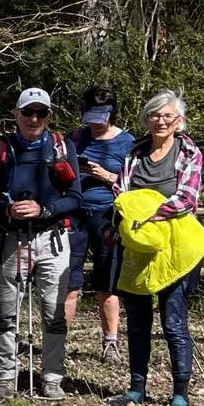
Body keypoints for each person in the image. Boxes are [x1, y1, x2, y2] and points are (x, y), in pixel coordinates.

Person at [108, 92, 204, 406]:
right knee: (136, 320)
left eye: (167, 116)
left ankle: (180, 393)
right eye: (154, 115)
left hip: (173, 248)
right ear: (146, 119)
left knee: (173, 321)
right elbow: (120, 192)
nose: (160, 121)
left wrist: (146, 211)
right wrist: (131, 212)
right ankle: (136, 387)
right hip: (137, 247)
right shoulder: (134, 153)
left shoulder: (189, 152)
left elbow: (186, 199)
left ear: (179, 121)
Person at [0, 88, 80, 401]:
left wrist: (45, 209)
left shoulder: (63, 147)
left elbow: (76, 198)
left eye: (41, 113)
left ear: (49, 116)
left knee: (53, 313)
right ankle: (5, 377)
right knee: (5, 312)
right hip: (11, 238)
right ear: (16, 114)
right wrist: (6, 209)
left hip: (51, 239)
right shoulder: (2, 147)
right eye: (28, 112)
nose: (34, 119)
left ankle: (52, 378)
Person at [63, 84, 134, 365]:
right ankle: (59, 341)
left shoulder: (128, 143)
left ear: (112, 113)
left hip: (108, 216)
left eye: (100, 115)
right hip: (75, 213)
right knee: (68, 280)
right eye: (90, 114)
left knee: (107, 281)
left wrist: (108, 177)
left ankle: (111, 343)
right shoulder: (75, 138)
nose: (94, 121)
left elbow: (137, 186)